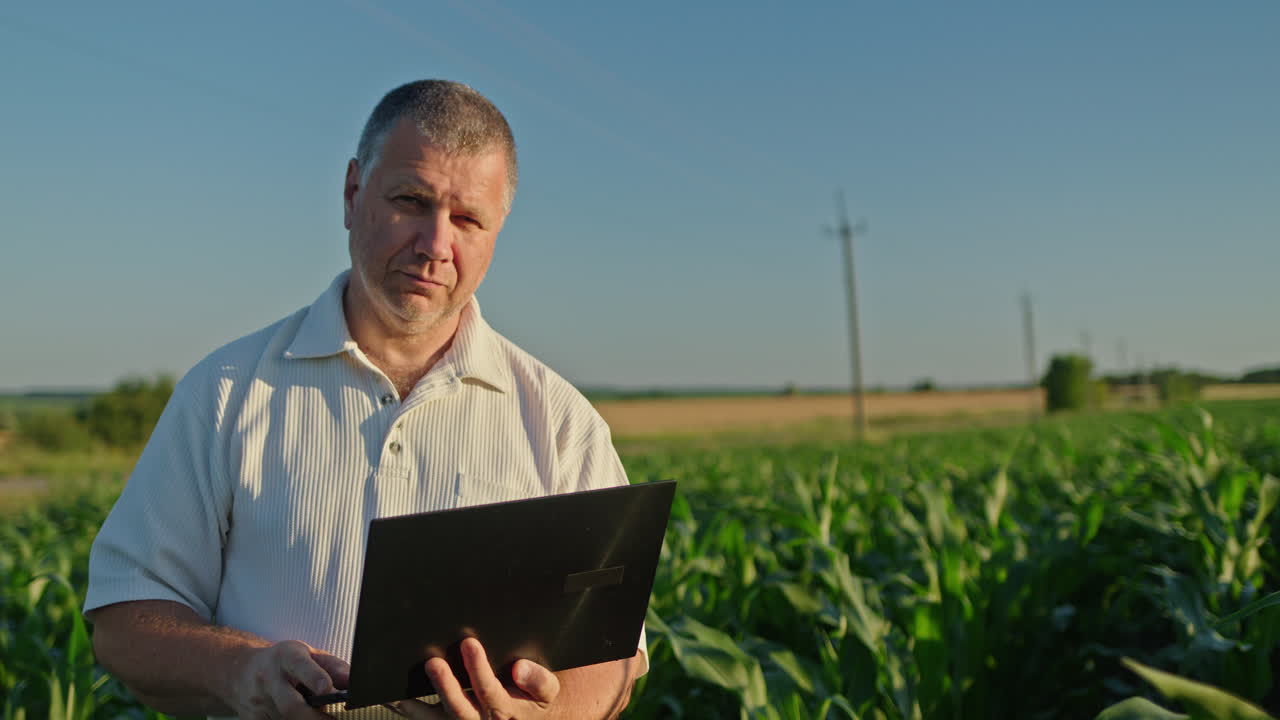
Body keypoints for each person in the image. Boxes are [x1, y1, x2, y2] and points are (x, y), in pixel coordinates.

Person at [84, 80, 644, 720]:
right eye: (411, 200)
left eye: (467, 219)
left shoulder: (561, 421)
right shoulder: (226, 392)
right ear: (353, 193)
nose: (436, 244)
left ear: (499, 229)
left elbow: (617, 651)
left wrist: (551, 715)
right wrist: (239, 671)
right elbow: (125, 618)